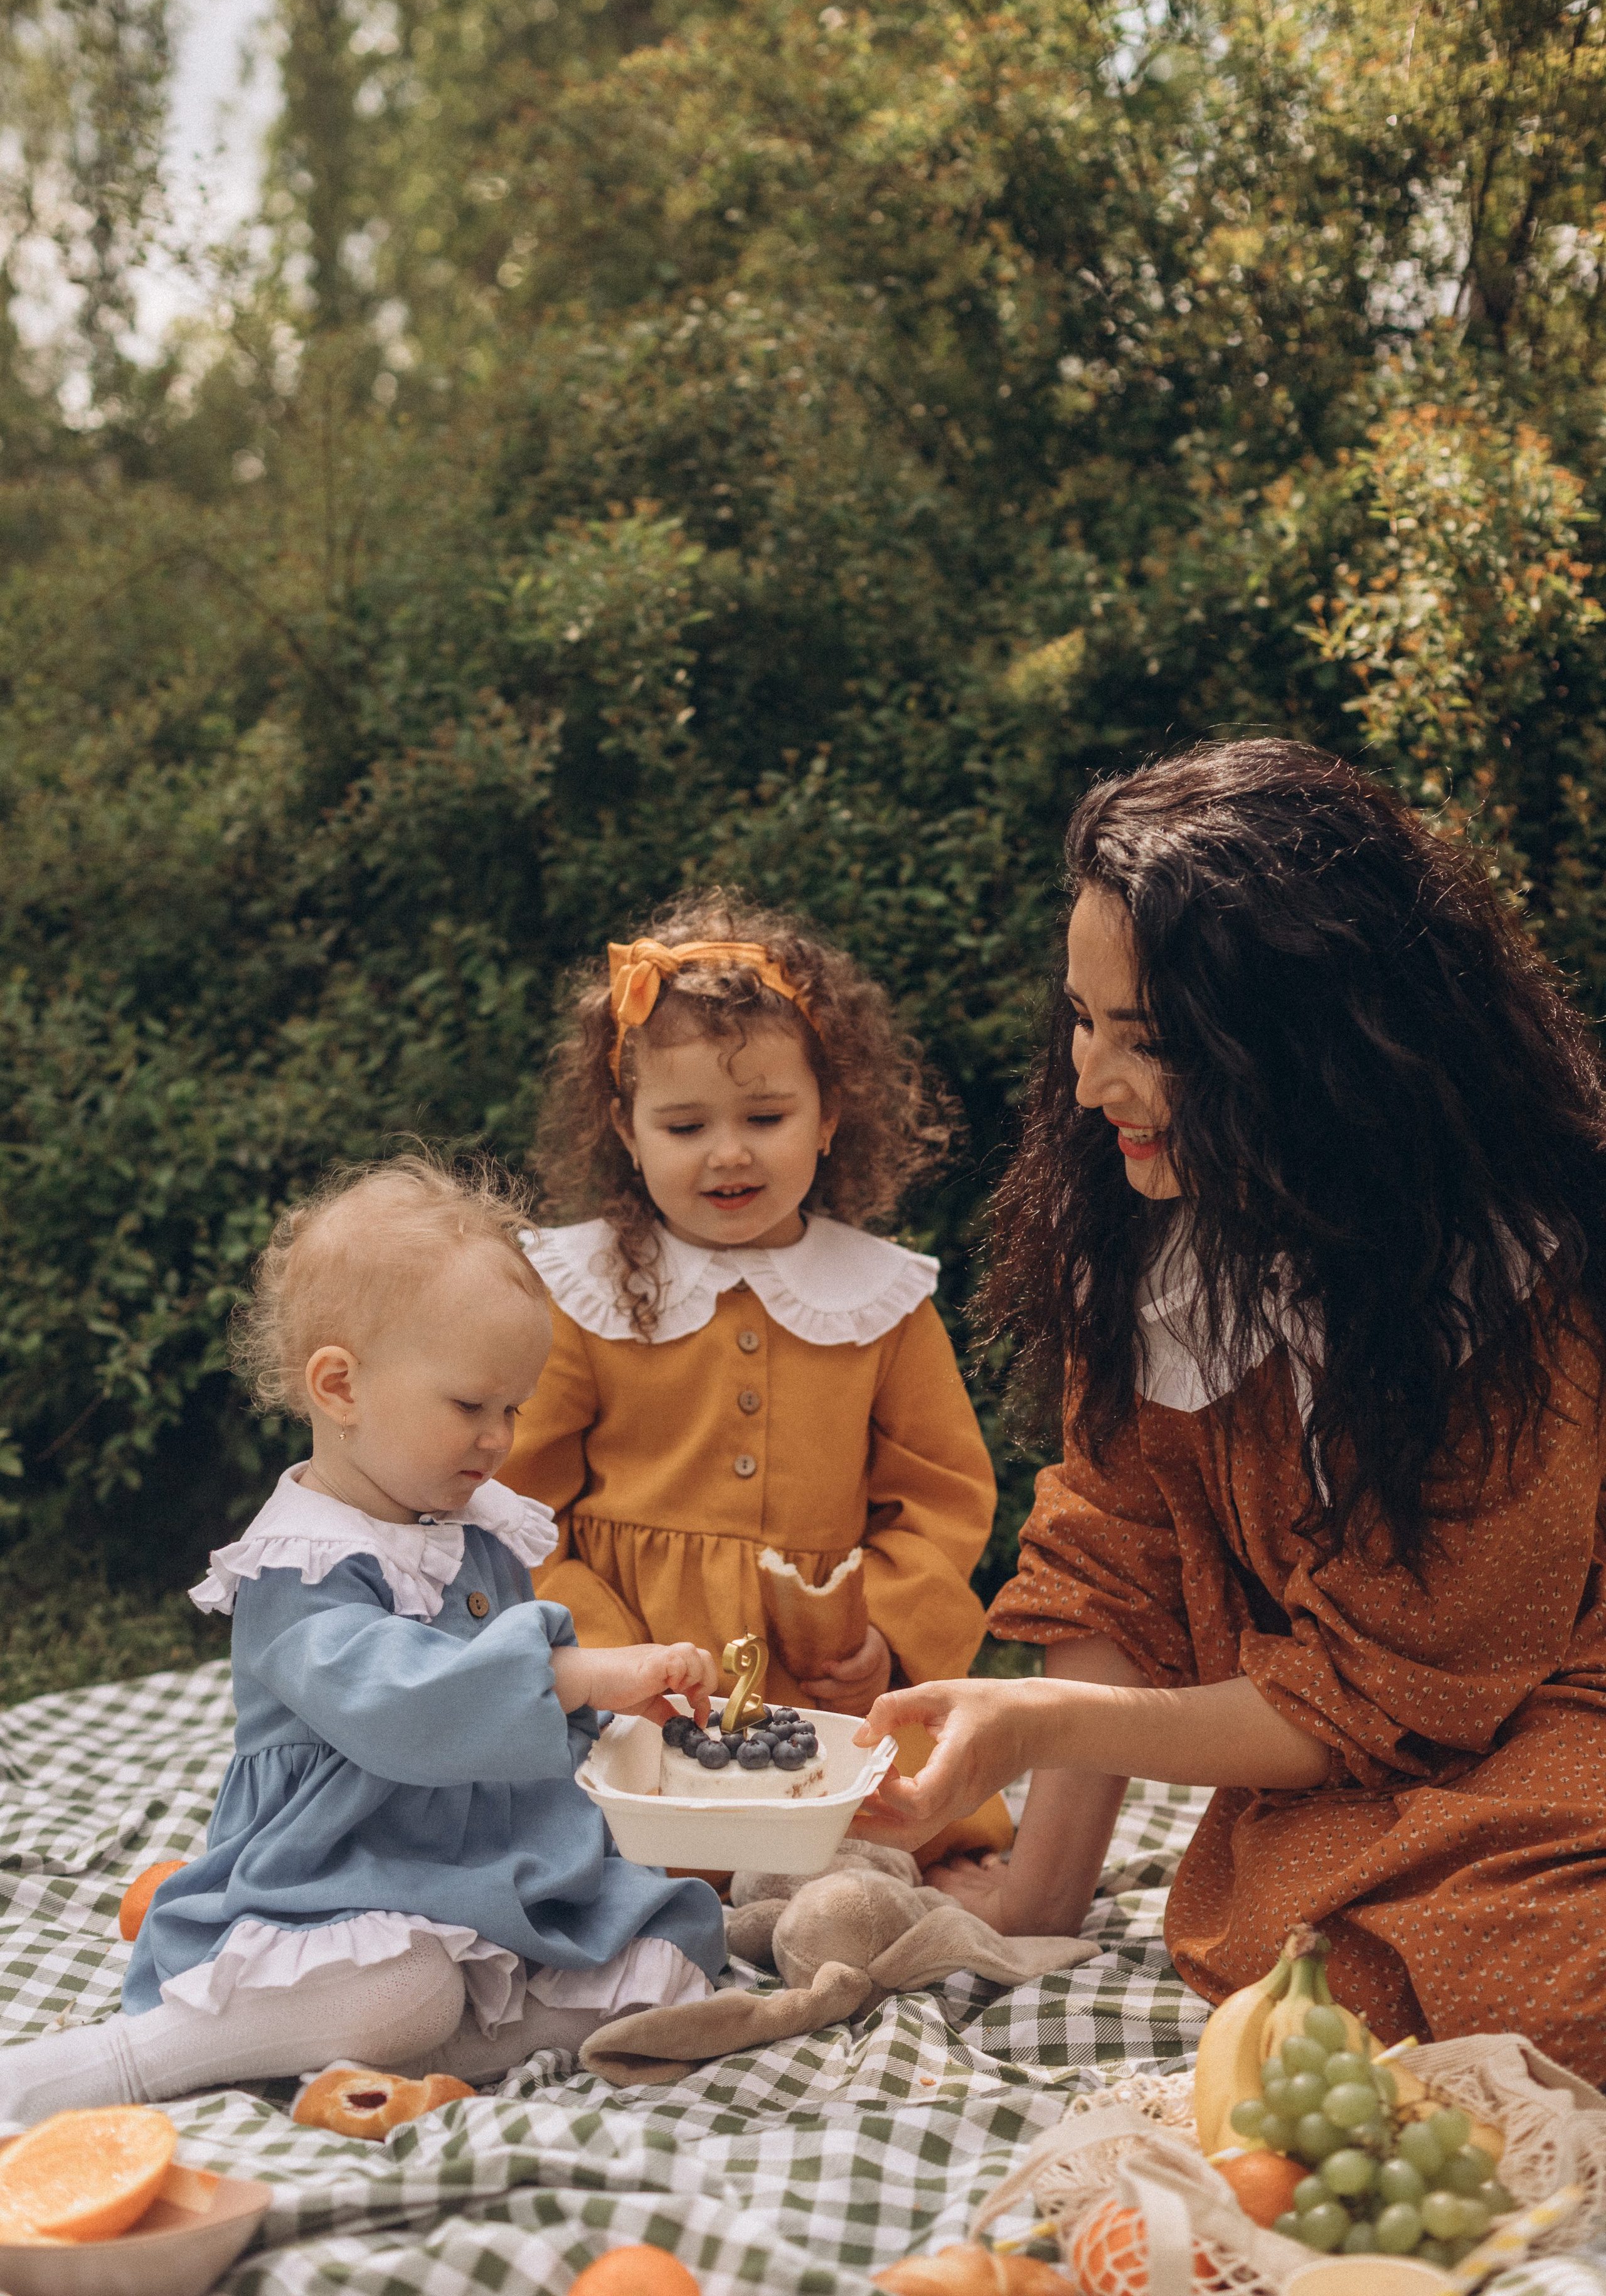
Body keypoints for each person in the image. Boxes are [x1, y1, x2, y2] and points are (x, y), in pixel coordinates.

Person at [851, 739, 1606, 2083]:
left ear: (1308, 1054)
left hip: (1545, 1715)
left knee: (1543, 1979)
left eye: (1145, 1044)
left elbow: (1403, 1688)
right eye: (1081, 1022)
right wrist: (1036, 1895)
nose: (1089, 1081)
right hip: (1346, 1764)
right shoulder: (1136, 1225)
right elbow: (1110, 1552)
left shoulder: (1498, 1283)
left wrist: (1032, 1726)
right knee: (1303, 1970)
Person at [0, 1156, 726, 2127]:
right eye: (471, 1406)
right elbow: (407, 1704)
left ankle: (454, 2035)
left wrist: (598, 1711)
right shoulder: (303, 1564)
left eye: (512, 1409)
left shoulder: (471, 1526)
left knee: (672, 1966)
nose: (500, 1438)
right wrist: (577, 1671)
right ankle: (122, 2062)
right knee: (402, 1987)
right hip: (338, 1872)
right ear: (340, 1386)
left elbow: (508, 1716)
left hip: (491, 1861)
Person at [500, 890, 1013, 1863]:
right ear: (626, 1127)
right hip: (632, 1678)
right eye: (685, 1126)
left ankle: (828, 1895)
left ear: (828, 1118)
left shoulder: (878, 1301)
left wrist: (886, 1640)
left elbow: (943, 1500)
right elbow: (516, 1508)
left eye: (767, 1115)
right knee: (595, 1828)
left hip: (822, 1685)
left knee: (895, 1828)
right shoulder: (581, 1292)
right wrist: (603, 1658)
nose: (729, 1152)